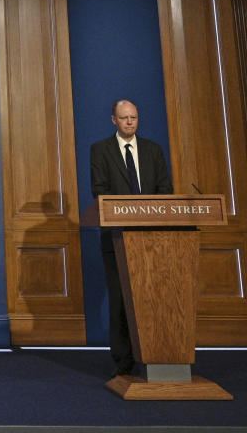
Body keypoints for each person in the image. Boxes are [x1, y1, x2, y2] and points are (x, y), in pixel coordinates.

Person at [89, 99, 172, 377]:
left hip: (152, 240)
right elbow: (99, 191)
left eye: (134, 118)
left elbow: (165, 189)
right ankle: (123, 363)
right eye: (124, 118)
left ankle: (156, 354)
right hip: (117, 239)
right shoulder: (100, 150)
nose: (129, 122)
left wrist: (148, 215)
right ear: (113, 119)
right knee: (121, 300)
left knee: (152, 298)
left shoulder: (153, 150)